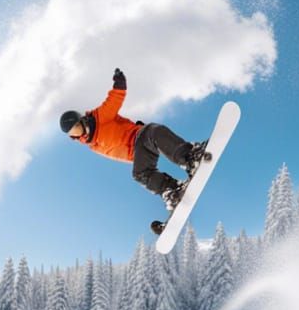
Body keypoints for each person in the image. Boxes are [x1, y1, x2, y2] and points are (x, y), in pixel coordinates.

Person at [60, 68, 210, 210]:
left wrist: (119, 84)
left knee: (154, 130)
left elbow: (114, 100)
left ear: (81, 121)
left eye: (76, 128)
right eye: (73, 133)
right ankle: (172, 190)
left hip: (140, 136)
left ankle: (190, 157)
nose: (77, 134)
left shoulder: (99, 117)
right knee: (139, 173)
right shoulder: (92, 144)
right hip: (137, 152)